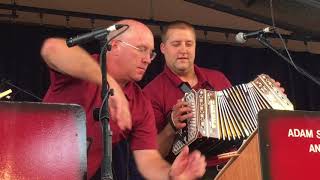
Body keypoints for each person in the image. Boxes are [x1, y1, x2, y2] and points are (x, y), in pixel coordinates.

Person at [41, 19, 206, 180]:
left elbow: (148, 159)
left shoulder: (140, 103)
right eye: (141, 49)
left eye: (151, 53)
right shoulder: (83, 66)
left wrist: (171, 174)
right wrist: (108, 82)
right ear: (114, 45)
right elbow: (52, 48)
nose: (147, 59)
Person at [143, 21, 235, 178]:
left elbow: (241, 119)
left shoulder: (218, 78)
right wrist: (171, 127)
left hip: (233, 168)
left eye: (189, 44)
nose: (183, 50)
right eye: (176, 44)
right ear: (163, 48)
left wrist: (267, 96)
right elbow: (150, 155)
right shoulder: (151, 93)